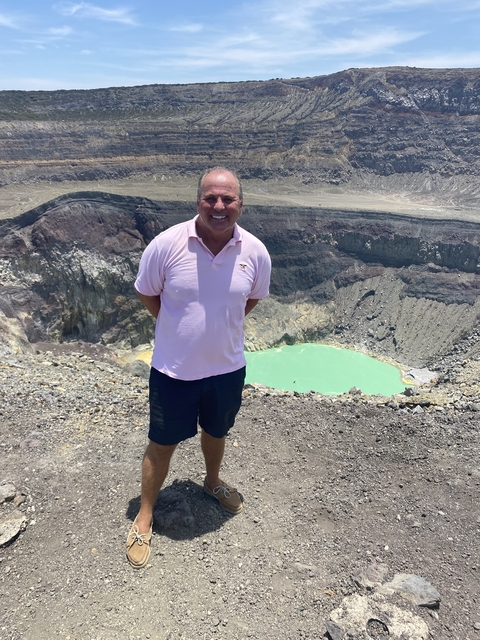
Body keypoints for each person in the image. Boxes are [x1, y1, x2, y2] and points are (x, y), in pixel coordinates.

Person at [126, 167, 271, 568]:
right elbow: (146, 292)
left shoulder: (255, 252)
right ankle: (145, 513)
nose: (219, 206)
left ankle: (212, 482)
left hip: (227, 370)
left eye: (228, 199)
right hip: (173, 370)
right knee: (162, 441)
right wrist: (177, 327)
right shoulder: (167, 244)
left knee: (217, 430)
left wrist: (213, 329)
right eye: (211, 198)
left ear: (241, 204)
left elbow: (250, 301)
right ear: (198, 201)